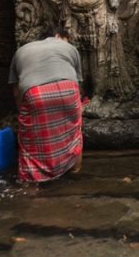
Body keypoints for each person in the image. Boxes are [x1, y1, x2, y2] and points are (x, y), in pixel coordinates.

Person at [9, 26, 84, 183]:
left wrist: (24, 115)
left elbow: (16, 92)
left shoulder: (22, 50)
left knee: (31, 140)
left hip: (36, 93)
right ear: (58, 36)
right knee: (74, 134)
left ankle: (32, 183)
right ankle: (75, 173)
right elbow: (77, 84)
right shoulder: (69, 48)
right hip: (68, 89)